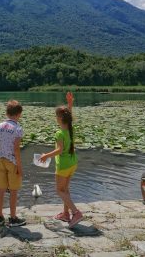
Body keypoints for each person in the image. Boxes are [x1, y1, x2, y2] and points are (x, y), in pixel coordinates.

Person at [40, 92, 83, 228]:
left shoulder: (59, 133)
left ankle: (76, 212)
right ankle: (65, 214)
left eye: (56, 116)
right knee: (65, 189)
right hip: (72, 163)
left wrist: (46, 155)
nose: (56, 118)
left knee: (59, 191)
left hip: (63, 165)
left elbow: (59, 150)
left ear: (59, 118)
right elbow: (68, 116)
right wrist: (70, 103)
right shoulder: (70, 129)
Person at [0, 100, 26, 227]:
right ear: (19, 114)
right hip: (12, 161)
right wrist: (20, 167)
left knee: (0, 189)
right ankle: (13, 218)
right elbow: (16, 149)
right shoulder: (17, 128)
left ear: (7, 113)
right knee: (13, 190)